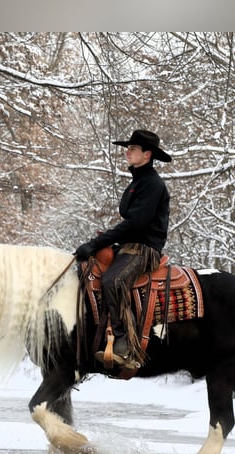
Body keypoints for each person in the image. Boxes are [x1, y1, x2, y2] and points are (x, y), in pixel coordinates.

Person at [75, 129, 172, 368]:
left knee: (113, 280)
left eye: (133, 149)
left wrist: (98, 242)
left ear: (147, 154)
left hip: (144, 250)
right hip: (129, 247)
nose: (127, 152)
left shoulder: (152, 184)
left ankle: (126, 345)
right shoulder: (137, 182)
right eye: (127, 148)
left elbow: (135, 224)